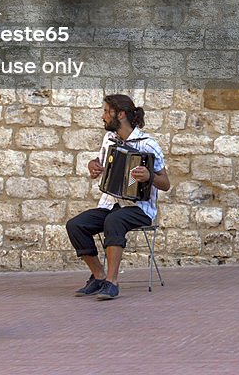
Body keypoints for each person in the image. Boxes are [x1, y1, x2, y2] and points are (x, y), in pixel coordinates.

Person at [65, 93, 170, 300]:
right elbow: (102, 162)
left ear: (120, 114)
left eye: (106, 112)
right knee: (75, 225)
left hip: (140, 209)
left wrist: (149, 176)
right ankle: (99, 277)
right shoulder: (109, 138)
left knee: (114, 220)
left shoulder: (148, 144)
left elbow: (165, 183)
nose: (103, 116)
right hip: (110, 203)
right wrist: (93, 165)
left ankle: (112, 283)